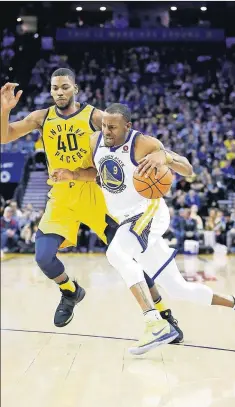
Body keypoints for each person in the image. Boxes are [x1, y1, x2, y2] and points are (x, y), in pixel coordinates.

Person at [54, 103, 235, 354]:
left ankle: (154, 323)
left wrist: (165, 156)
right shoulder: (94, 141)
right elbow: (101, 174)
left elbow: (188, 169)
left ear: (127, 126)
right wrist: (73, 175)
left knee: (116, 253)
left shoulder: (143, 143)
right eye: (103, 125)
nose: (106, 130)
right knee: (178, 289)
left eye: (112, 127)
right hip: (127, 219)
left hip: (148, 211)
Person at [0, 73, 183, 344]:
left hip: (98, 194)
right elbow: (6, 136)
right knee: (43, 257)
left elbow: (132, 138)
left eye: (65, 87)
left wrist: (159, 154)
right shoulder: (42, 117)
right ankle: (70, 290)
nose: (60, 92)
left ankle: (163, 314)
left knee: (130, 259)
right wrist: (5, 110)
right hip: (62, 195)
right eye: (55, 88)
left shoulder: (95, 117)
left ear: (75, 88)